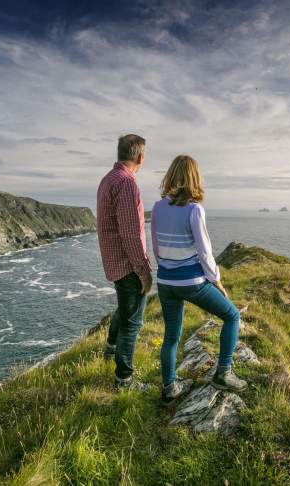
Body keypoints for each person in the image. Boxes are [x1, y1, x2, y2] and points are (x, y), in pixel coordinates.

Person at [151, 155, 247, 406]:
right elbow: (204, 252)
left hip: (165, 281)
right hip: (191, 282)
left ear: (170, 176)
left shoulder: (158, 208)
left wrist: (168, 270)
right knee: (232, 315)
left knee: (171, 336)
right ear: (195, 178)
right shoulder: (195, 210)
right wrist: (216, 280)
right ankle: (223, 373)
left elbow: (157, 248)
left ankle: (169, 387)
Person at [97, 134, 152, 391]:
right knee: (132, 322)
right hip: (128, 264)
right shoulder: (127, 183)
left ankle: (109, 348)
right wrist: (144, 271)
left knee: (123, 308)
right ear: (140, 157)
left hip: (114, 262)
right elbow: (131, 233)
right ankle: (124, 380)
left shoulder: (107, 179)